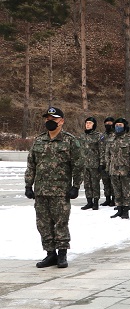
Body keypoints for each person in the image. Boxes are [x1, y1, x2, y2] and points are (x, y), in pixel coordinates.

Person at [25, 106, 82, 269]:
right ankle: (50, 254)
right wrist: (29, 185)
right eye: (47, 119)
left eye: (53, 119)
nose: (49, 122)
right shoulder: (39, 140)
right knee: (43, 223)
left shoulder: (70, 141)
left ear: (61, 121)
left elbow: (78, 165)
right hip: (41, 191)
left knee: (60, 222)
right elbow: (31, 165)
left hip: (61, 191)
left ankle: (62, 254)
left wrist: (75, 186)